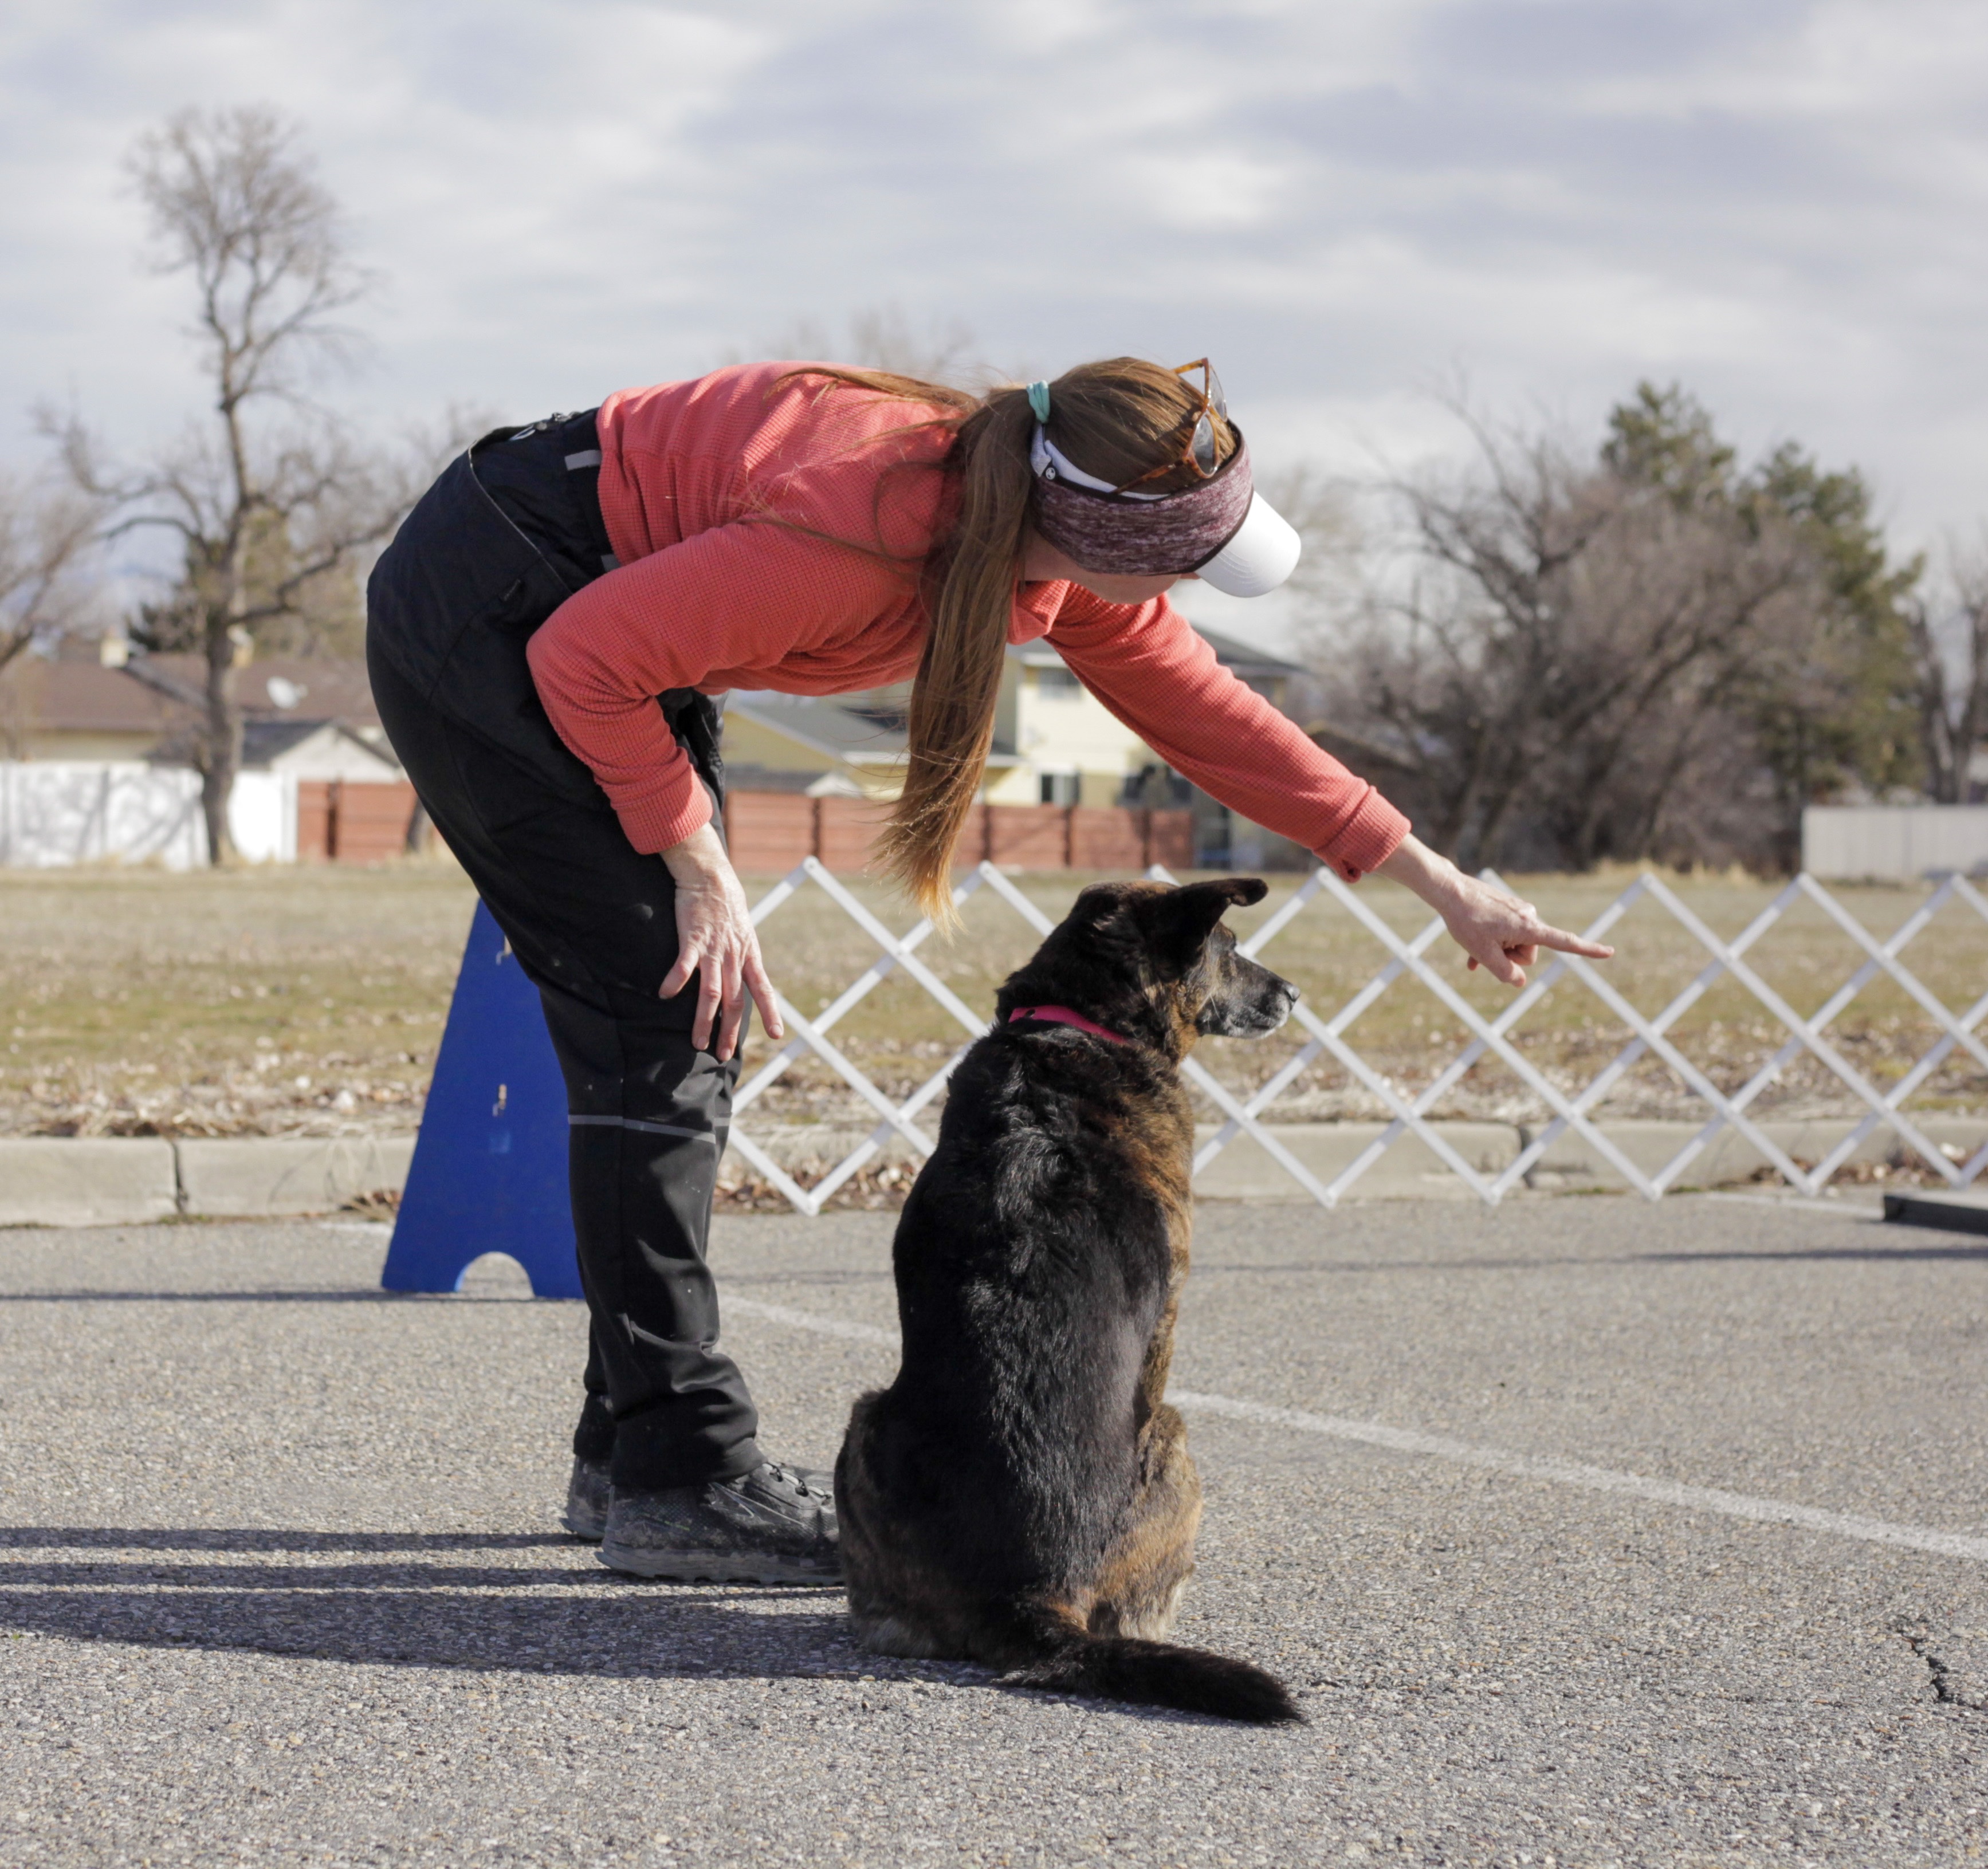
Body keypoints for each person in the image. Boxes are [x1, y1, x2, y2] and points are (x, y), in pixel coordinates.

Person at [364, 355, 1612, 1584]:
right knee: (666, 1018)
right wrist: (690, 852)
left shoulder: (1038, 533)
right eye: (1185, 564)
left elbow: (1209, 716)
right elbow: (582, 660)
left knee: (682, 1020)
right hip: (499, 614)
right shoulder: (854, 539)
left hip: (602, 613)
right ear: (1093, 532)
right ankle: (677, 1473)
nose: (1189, 592)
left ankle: (627, 1449)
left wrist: (1435, 879)